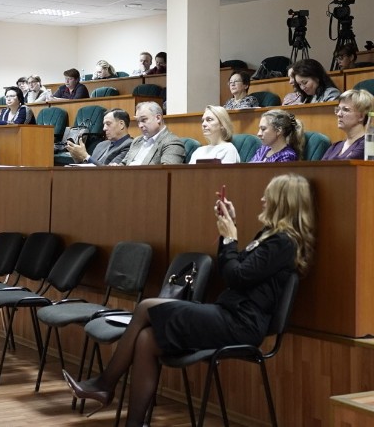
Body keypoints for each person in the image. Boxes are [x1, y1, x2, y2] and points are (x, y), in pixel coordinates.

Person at [61, 173, 315, 427]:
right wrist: (230, 226)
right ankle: (133, 421)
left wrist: (230, 238)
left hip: (241, 323)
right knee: (147, 339)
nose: (262, 199)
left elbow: (237, 277)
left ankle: (104, 384)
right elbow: (234, 270)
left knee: (147, 306)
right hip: (229, 314)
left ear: (283, 202)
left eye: (268, 196)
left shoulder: (284, 243)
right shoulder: (270, 235)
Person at [121, 102, 185, 165]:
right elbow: (124, 163)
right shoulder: (137, 141)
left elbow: (167, 170)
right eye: (138, 121)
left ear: (158, 118)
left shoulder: (172, 142)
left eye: (144, 120)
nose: (140, 125)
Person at [67, 108, 132, 166]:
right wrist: (78, 159)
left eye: (108, 124)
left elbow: (111, 171)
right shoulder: (101, 145)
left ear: (121, 124)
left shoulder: (130, 145)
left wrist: (86, 156)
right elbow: (89, 167)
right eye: (104, 125)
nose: (104, 128)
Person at [322, 89, 374, 161]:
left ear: (361, 116)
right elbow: (320, 167)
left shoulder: (370, 144)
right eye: (338, 109)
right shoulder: (335, 147)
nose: (339, 114)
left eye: (346, 110)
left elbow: (345, 165)